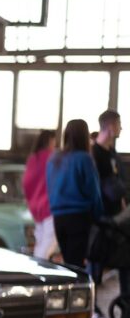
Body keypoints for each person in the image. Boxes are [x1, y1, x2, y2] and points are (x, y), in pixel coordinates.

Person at [47, 119, 103, 270]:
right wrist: (99, 217)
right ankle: (79, 293)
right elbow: (94, 192)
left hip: (58, 219)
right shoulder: (84, 159)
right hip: (79, 219)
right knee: (77, 267)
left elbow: (50, 188)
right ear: (84, 136)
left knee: (68, 264)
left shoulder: (54, 159)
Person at [91, 109, 129, 297]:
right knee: (95, 262)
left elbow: (119, 180)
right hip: (101, 217)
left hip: (115, 215)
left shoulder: (112, 152)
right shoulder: (95, 153)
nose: (121, 128)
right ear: (111, 126)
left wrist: (122, 199)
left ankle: (124, 303)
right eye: (119, 124)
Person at [23, 129, 57, 260]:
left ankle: (37, 267)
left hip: (35, 208)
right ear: (49, 141)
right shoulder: (52, 157)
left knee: (40, 240)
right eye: (54, 140)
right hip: (49, 207)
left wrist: (32, 200)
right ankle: (39, 268)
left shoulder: (32, 158)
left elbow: (26, 182)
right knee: (48, 242)